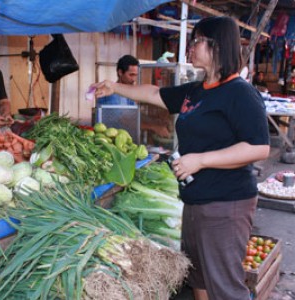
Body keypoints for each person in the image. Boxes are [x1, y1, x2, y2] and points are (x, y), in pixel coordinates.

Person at [91, 16, 270, 300]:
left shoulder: (240, 93)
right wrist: (114, 87)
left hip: (226, 203)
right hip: (195, 200)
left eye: (197, 41)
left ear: (217, 46)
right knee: (197, 275)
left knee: (225, 286)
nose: (190, 47)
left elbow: (258, 148)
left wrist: (200, 160)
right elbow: (153, 93)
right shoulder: (197, 90)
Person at [96, 55, 170, 138]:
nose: (134, 79)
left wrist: (155, 121)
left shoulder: (129, 92)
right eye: (131, 75)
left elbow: (134, 114)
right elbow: (124, 120)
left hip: (123, 138)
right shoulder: (111, 94)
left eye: (136, 75)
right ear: (120, 72)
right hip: (110, 140)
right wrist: (154, 127)